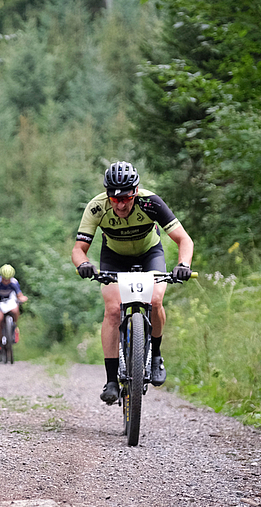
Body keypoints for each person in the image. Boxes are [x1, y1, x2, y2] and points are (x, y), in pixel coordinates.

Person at [71, 161, 193, 404]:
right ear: (108, 196)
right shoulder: (97, 207)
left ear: (135, 192)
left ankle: (156, 356)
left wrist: (184, 265)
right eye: (115, 200)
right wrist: (83, 264)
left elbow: (184, 240)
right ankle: (111, 380)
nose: (122, 204)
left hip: (150, 254)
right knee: (113, 309)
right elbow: (78, 249)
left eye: (126, 198)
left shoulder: (151, 203)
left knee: (155, 300)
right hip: (114, 257)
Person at [0, 264, 28, 357]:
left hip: (9, 302)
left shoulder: (14, 282)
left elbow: (19, 295)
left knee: (16, 310)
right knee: (0, 318)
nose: (6, 281)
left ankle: (14, 327)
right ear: (2, 277)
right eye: (4, 279)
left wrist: (22, 298)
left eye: (8, 279)